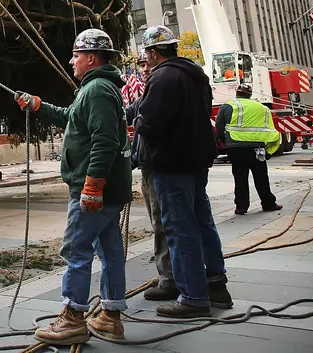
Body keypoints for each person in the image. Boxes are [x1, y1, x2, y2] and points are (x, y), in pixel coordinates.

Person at [15, 28, 132, 344]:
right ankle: (110, 315)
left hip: (94, 190)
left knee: (76, 249)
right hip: (109, 190)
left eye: (76, 55)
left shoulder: (96, 91)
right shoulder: (99, 89)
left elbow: (105, 141)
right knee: (110, 251)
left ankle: (73, 318)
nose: (71, 61)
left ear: (91, 58)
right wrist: (39, 106)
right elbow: (72, 118)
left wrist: (92, 185)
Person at [134, 25, 231, 317]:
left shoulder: (162, 77)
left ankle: (192, 296)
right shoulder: (194, 75)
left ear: (153, 53)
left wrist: (137, 121)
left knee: (180, 229)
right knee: (203, 223)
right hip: (195, 161)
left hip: (171, 163)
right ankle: (216, 286)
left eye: (146, 54)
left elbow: (149, 122)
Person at [128, 50, 176, 301]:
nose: (144, 70)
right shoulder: (149, 91)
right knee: (162, 223)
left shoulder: (159, 87)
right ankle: (170, 273)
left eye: (147, 64)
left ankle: (170, 278)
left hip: (159, 167)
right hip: (150, 166)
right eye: (141, 66)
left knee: (163, 224)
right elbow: (128, 112)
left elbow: (146, 124)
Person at [216, 84, 282, 215]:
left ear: (237, 93)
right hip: (257, 148)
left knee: (240, 177)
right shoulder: (262, 108)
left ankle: (241, 207)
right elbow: (270, 130)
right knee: (261, 177)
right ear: (250, 94)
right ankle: (268, 203)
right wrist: (269, 150)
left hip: (236, 148)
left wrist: (225, 142)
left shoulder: (228, 106)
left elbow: (219, 127)